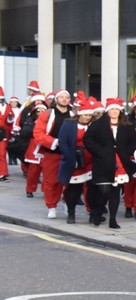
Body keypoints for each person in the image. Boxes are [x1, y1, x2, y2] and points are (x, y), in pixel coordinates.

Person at [83, 98, 136, 229]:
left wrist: (126, 152)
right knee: (104, 190)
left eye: (117, 109)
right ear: (107, 111)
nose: (114, 112)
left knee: (115, 192)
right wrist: (100, 151)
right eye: (112, 109)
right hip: (103, 162)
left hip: (120, 163)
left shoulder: (127, 125)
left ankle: (112, 219)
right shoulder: (98, 124)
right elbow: (88, 139)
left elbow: (134, 141)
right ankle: (97, 210)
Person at [31, 89, 75, 218]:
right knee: (51, 181)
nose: (64, 99)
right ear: (56, 100)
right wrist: (55, 142)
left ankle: (68, 203)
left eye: (67, 97)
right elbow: (38, 133)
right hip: (52, 152)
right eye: (62, 97)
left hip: (69, 153)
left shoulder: (73, 114)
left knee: (69, 181)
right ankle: (51, 206)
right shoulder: (47, 114)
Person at [57, 98, 99, 224]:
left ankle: (93, 213)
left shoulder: (95, 125)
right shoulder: (69, 124)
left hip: (92, 162)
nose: (87, 117)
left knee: (92, 190)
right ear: (80, 114)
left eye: (90, 115)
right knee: (74, 189)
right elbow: (62, 142)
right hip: (75, 161)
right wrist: (69, 156)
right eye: (86, 115)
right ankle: (71, 212)